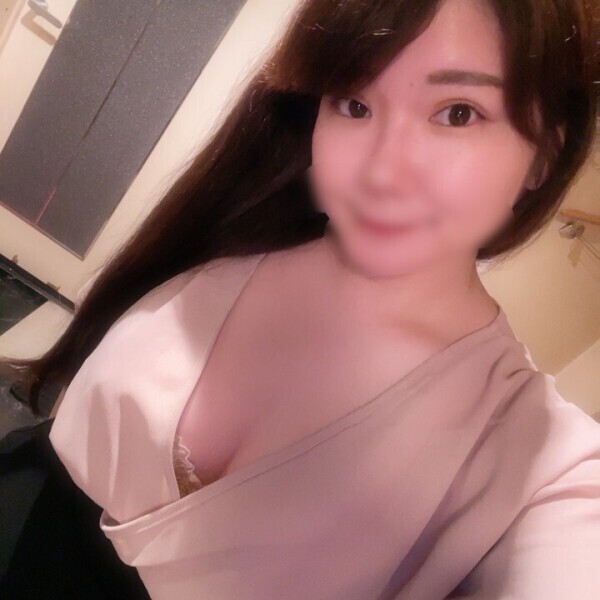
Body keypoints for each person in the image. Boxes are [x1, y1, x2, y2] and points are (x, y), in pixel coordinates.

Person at [2, 0, 599, 597]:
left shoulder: (537, 462)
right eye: (354, 104)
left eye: (458, 113)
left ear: (545, 154)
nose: (380, 172)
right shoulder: (244, 225)